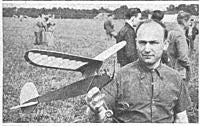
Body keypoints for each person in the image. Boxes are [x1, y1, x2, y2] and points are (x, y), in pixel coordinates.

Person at [86, 20, 191, 123]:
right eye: (142, 42)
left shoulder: (175, 78)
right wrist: (95, 110)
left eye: (153, 43)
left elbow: (181, 118)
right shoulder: (120, 77)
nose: (147, 49)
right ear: (136, 43)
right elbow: (101, 116)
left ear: (165, 45)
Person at [166, 11, 191, 84]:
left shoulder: (172, 32)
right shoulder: (180, 35)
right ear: (184, 21)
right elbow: (182, 56)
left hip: (170, 65)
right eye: (189, 21)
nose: (190, 24)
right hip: (179, 69)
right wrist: (188, 66)